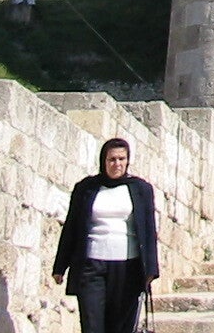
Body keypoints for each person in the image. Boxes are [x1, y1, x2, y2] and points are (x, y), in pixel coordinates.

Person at [52, 137, 160, 333]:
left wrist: (150, 269)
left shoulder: (141, 189)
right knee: (91, 324)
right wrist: (60, 266)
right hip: (91, 266)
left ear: (128, 161)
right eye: (112, 159)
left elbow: (149, 230)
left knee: (121, 327)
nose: (117, 164)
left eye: (121, 159)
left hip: (127, 268)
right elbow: (72, 227)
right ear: (103, 161)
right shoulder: (86, 188)